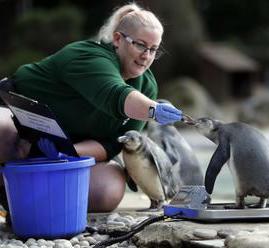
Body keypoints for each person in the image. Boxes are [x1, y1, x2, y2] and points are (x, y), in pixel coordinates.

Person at [0, 3, 182, 213]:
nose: (146, 56)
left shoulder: (147, 87)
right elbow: (115, 95)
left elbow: (113, 144)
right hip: (20, 121)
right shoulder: (89, 56)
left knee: (108, 189)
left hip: (69, 147)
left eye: (153, 49)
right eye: (140, 45)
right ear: (117, 39)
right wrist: (152, 110)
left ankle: (25, 199)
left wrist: (64, 154)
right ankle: (7, 184)